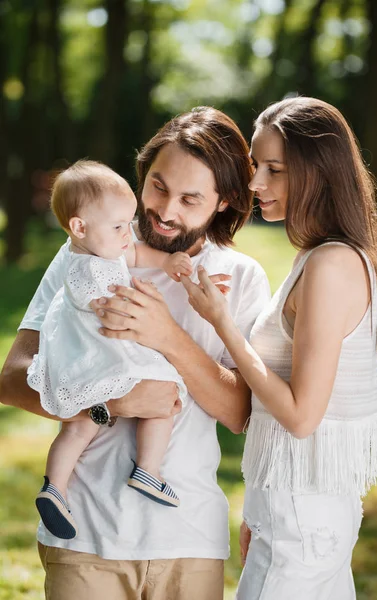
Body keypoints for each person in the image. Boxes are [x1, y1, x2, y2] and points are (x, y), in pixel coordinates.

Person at [0, 106, 270, 600]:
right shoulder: (87, 252)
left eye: (191, 199)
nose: (166, 211)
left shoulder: (243, 277)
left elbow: (241, 412)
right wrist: (110, 405)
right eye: (158, 186)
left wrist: (167, 336)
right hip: (84, 534)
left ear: (225, 201)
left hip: (188, 536)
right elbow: (13, 378)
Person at [180, 97, 377, 600]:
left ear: (319, 172)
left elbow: (300, 415)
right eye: (257, 165)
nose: (256, 184)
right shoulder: (318, 256)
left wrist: (223, 325)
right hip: (297, 515)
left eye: (275, 169)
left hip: (302, 524)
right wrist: (262, 508)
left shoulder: (331, 266)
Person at [29, 159, 201, 541]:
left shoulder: (100, 250)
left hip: (87, 362)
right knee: (168, 391)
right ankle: (149, 470)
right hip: (104, 356)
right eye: (120, 226)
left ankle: (54, 488)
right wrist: (136, 298)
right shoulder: (84, 270)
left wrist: (168, 260)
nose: (129, 234)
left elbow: (136, 255)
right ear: (79, 226)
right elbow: (106, 306)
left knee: (75, 431)